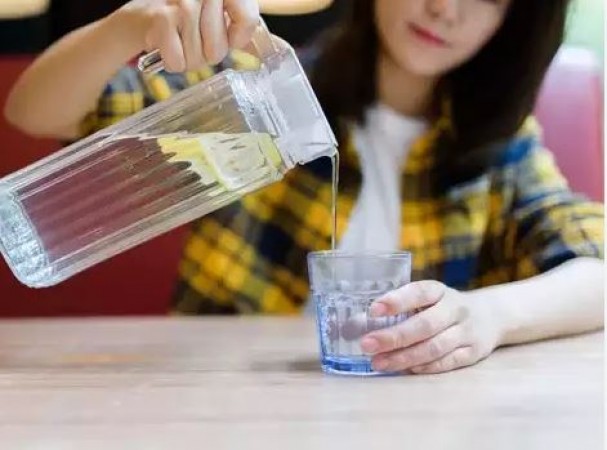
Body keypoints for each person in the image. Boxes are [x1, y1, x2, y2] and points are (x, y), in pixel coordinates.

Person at [5, 0, 604, 375]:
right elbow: (35, 111)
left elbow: (596, 271)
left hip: (399, 417)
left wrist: (488, 316)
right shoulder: (257, 92)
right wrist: (129, 26)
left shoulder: (497, 151)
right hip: (214, 393)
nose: (445, 8)